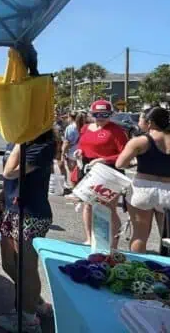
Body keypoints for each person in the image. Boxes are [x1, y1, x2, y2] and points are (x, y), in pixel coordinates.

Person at [0, 130, 56, 332]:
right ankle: (35, 302)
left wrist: (20, 141)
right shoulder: (17, 141)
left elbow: (10, 172)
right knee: (10, 264)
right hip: (12, 210)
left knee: (26, 269)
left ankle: (28, 320)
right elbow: (11, 180)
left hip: (31, 214)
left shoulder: (41, 146)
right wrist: (3, 196)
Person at [116, 107, 170, 253]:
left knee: (140, 236)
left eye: (140, 119)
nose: (138, 122)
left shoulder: (139, 141)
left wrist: (135, 162)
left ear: (150, 123)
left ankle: (137, 269)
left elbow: (120, 164)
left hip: (143, 189)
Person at [75, 100, 128, 248]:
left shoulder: (116, 131)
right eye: (96, 114)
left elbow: (125, 154)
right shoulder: (85, 128)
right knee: (88, 204)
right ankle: (90, 238)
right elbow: (82, 144)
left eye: (105, 114)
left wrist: (104, 160)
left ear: (111, 114)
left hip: (110, 172)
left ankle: (113, 243)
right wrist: (80, 151)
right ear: (91, 114)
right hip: (89, 169)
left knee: (109, 207)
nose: (101, 117)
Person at [59, 111, 85, 190]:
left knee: (73, 173)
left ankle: (75, 191)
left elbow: (67, 142)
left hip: (72, 153)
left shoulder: (70, 127)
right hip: (82, 152)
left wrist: (63, 154)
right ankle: (81, 190)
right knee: (81, 173)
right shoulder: (84, 126)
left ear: (70, 117)